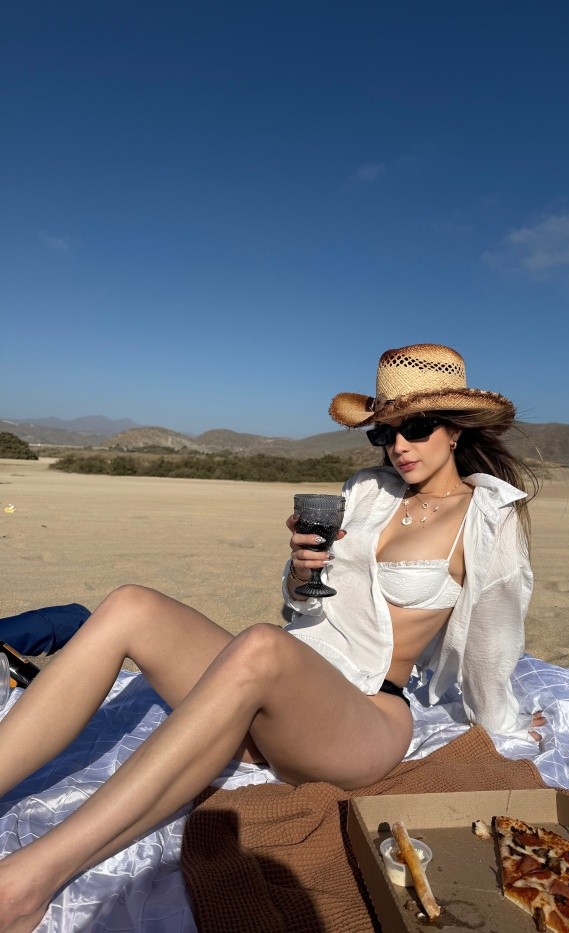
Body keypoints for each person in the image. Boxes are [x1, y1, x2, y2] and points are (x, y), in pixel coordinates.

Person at [0, 343, 540, 931]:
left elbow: (492, 639)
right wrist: (302, 573)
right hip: (279, 693)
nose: (398, 446)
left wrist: (505, 722)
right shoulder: (366, 491)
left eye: (415, 428)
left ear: (455, 429)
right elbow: (300, 606)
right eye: (384, 433)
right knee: (131, 605)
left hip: (361, 716)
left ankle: (26, 885)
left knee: (260, 644)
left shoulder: (487, 518)